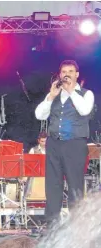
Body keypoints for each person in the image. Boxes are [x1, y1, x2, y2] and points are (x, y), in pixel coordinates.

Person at [35, 60, 94, 225]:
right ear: (60, 75)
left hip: (74, 144)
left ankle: (76, 226)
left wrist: (71, 92)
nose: (66, 74)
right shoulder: (54, 95)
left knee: (75, 184)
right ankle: (51, 225)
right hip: (54, 144)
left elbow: (84, 110)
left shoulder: (85, 94)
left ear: (77, 74)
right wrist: (50, 97)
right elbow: (39, 115)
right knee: (53, 185)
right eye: (63, 72)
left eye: (70, 71)